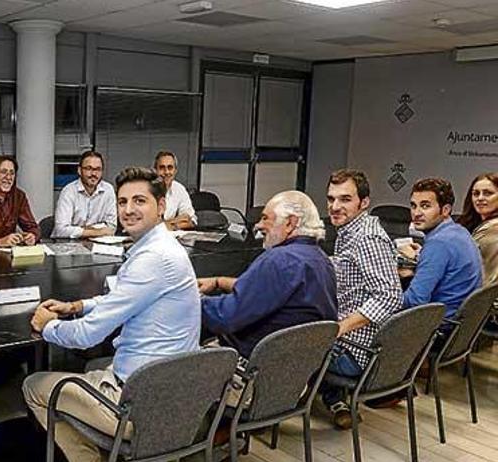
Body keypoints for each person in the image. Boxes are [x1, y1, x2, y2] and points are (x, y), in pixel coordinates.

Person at [24, 167, 201, 462]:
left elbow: (87, 336)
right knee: (95, 368)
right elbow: (124, 296)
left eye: (139, 201)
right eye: (122, 202)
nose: (128, 209)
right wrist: (77, 305)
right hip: (177, 400)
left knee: (34, 386)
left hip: (141, 408)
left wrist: (46, 327)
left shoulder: (152, 258)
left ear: (161, 206)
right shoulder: (164, 249)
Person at [200, 190, 337, 359]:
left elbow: (225, 317)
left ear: (290, 223)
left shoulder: (279, 260)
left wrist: (193, 300)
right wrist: (218, 281)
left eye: (265, 218)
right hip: (291, 372)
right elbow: (266, 291)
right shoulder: (320, 259)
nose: (258, 225)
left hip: (246, 369)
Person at [320, 169, 402, 429]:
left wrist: (340, 328)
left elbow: (390, 297)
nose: (335, 206)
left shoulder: (366, 238)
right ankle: (334, 398)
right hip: (362, 344)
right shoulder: (355, 230)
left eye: (345, 199)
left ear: (364, 203)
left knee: (283, 334)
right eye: (331, 199)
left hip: (354, 352)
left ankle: (260, 415)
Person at [399, 178, 482, 322]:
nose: (416, 213)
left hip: (437, 326)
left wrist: (384, 295)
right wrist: (415, 269)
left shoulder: (438, 243)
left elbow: (415, 302)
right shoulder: (459, 231)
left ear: (445, 210)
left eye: (425, 206)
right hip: (457, 321)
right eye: (413, 206)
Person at [52, 150, 116, 239]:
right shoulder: (68, 191)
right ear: (79, 170)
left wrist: (79, 230)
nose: (94, 174)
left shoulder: (108, 190)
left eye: (98, 169)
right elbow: (61, 230)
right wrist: (95, 231)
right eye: (89, 168)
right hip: (67, 244)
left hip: (98, 244)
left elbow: (111, 228)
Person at [457, 173, 498, 286]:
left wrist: (416, 256)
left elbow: (456, 261)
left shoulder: (493, 227)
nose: (480, 198)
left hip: (488, 301)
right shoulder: (479, 224)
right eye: (475, 193)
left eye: (488, 193)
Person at [153, 151, 196, 230]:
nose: (166, 172)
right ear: (155, 170)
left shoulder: (179, 189)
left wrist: (171, 226)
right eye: (162, 168)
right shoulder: (146, 189)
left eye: (170, 168)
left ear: (175, 171)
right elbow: (148, 225)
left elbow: (191, 220)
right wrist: (176, 221)